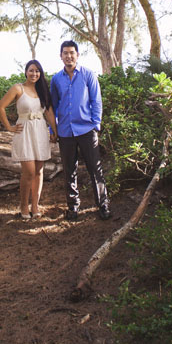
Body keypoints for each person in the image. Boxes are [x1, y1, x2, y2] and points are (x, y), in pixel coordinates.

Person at [50, 40, 111, 220]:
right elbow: (52, 106)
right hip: (65, 131)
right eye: (65, 53)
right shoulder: (56, 79)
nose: (69, 56)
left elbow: (96, 101)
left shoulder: (88, 75)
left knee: (95, 168)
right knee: (69, 170)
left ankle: (103, 204)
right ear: (61, 56)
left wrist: (96, 125)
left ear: (77, 55)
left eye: (72, 52)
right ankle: (73, 207)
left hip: (86, 129)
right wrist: (51, 128)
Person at [0, 60, 58, 219]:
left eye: (37, 71)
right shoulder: (18, 88)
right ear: (26, 72)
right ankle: (23, 205)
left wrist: (54, 131)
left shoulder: (43, 91)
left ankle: (35, 205)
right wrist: (9, 127)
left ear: (40, 73)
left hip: (40, 131)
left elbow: (49, 112)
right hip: (24, 132)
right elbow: (0, 107)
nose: (34, 74)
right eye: (31, 70)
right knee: (29, 171)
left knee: (38, 170)